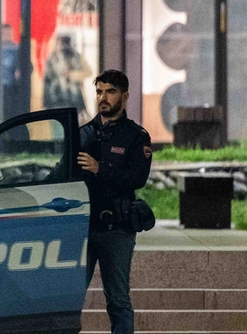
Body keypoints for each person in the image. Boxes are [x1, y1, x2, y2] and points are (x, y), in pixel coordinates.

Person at [76, 69, 152, 334]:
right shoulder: (84, 134)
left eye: (110, 92)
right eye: (99, 92)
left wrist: (100, 168)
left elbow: (137, 177)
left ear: (125, 96)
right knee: (70, 301)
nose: (103, 98)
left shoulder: (136, 136)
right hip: (82, 227)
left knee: (118, 302)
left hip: (117, 229)